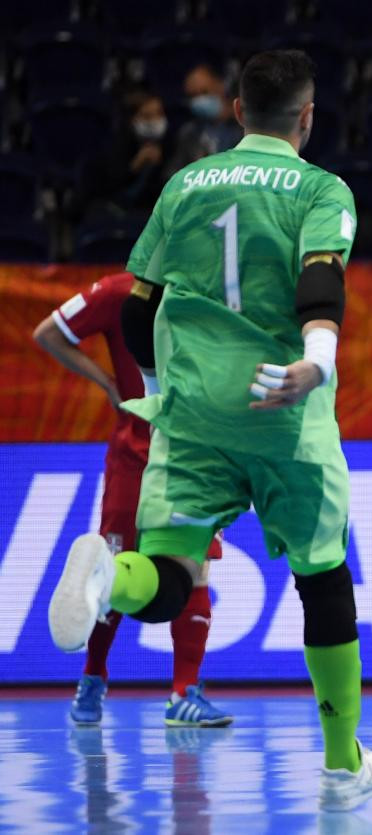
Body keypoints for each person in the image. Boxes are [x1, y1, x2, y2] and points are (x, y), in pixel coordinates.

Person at [45, 49, 372, 811]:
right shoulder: (320, 187)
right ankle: (341, 763)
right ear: (306, 117)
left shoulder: (182, 185)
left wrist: (173, 388)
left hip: (192, 415)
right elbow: (321, 275)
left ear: (236, 111)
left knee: (166, 579)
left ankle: (109, 574)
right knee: (322, 577)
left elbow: (137, 310)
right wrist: (318, 361)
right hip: (282, 411)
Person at [33, 274, 232, 728]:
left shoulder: (192, 292)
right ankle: (145, 686)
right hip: (170, 456)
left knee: (144, 571)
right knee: (161, 571)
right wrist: (106, 381)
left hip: (177, 453)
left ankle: (136, 688)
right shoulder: (130, 293)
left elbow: (46, 334)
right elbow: (48, 334)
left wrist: (109, 384)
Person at [83, 90, 173, 218]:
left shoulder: (170, 143)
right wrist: (135, 166)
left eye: (159, 114)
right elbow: (107, 186)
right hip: (114, 209)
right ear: (133, 120)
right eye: (148, 116)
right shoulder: (116, 145)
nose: (156, 121)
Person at [164, 64, 243, 179]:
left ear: (220, 86)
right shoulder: (188, 133)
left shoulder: (244, 127)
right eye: (193, 96)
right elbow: (172, 175)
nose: (200, 101)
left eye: (204, 92)